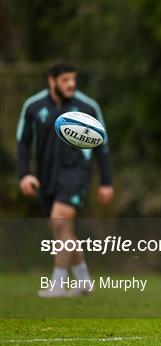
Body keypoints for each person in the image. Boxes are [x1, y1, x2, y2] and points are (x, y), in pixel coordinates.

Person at [16, 61, 113, 297]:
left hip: (76, 173)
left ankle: (58, 283)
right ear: (52, 81)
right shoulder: (33, 106)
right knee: (62, 229)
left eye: (73, 79)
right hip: (46, 176)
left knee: (60, 222)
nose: (71, 84)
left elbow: (103, 146)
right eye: (65, 80)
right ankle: (84, 280)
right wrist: (24, 174)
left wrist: (106, 182)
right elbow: (23, 142)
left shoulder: (87, 107)